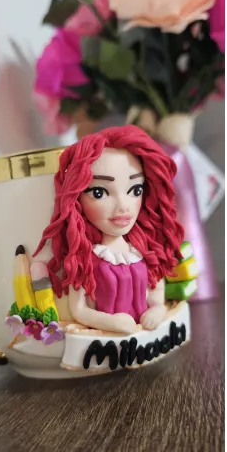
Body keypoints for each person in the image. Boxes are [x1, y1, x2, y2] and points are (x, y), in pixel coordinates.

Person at [32, 125, 185, 334]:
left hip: (145, 341)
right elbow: (79, 310)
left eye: (135, 190)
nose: (123, 205)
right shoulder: (83, 258)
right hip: (103, 341)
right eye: (99, 192)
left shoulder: (144, 249)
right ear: (76, 200)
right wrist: (111, 323)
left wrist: (157, 310)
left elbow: (156, 296)